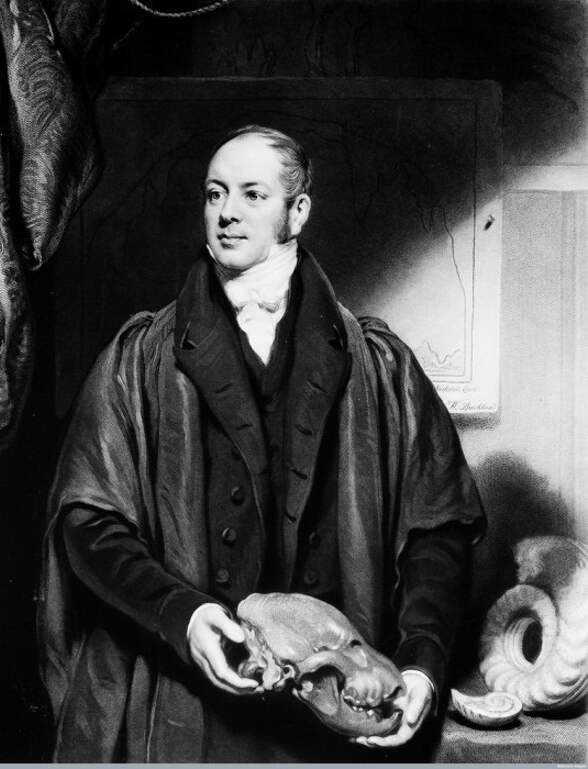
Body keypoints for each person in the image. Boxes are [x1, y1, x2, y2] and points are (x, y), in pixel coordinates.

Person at [39, 125, 485, 762]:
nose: (227, 212)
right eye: (215, 193)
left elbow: (436, 531)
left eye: (252, 194)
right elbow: (88, 521)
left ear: (297, 212)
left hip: (338, 706)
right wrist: (182, 614)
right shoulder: (138, 361)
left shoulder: (380, 366)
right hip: (185, 700)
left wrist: (419, 664)